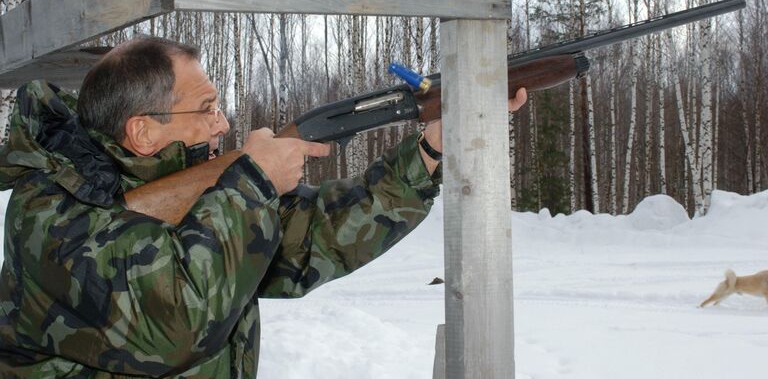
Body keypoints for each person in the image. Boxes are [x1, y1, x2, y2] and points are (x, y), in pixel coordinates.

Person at [0, 36, 527, 377]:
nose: (223, 124)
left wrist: (430, 149)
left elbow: (311, 242)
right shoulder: (48, 213)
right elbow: (178, 323)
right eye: (205, 109)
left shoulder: (207, 195)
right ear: (142, 130)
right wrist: (252, 181)